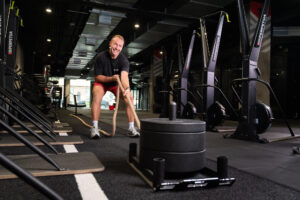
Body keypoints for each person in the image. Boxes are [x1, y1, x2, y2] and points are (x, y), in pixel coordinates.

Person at [90, 34, 140, 139]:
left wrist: (126, 89)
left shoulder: (124, 60)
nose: (117, 48)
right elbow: (98, 77)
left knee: (129, 97)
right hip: (102, 82)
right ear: (110, 44)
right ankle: (94, 127)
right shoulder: (101, 57)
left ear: (122, 48)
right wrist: (111, 78)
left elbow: (124, 77)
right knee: (97, 96)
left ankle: (131, 128)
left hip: (116, 84)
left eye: (120, 46)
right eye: (115, 44)